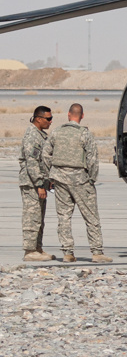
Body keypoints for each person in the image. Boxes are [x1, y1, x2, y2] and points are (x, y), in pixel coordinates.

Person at [44, 104, 110, 263]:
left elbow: (45, 154)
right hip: (80, 180)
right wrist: (91, 179)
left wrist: (50, 175)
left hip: (60, 179)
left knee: (64, 217)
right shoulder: (85, 134)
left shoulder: (56, 132)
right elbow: (93, 159)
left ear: (68, 115)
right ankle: (97, 252)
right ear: (82, 116)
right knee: (91, 216)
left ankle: (67, 253)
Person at [19, 106, 54, 262]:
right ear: (38, 118)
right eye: (48, 119)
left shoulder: (41, 135)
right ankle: (29, 250)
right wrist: (39, 184)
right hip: (31, 183)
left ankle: (38, 248)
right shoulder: (32, 136)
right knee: (32, 216)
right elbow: (32, 162)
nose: (50, 122)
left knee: (39, 217)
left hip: (38, 182)